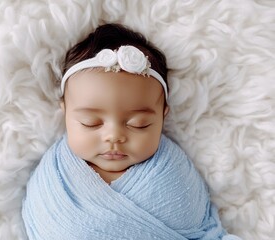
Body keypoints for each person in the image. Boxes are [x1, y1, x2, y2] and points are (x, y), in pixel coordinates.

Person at [22, 24, 241, 240]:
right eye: (91, 122)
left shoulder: (173, 174)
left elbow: (196, 224)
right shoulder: (54, 179)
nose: (114, 136)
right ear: (66, 113)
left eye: (139, 124)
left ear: (162, 117)